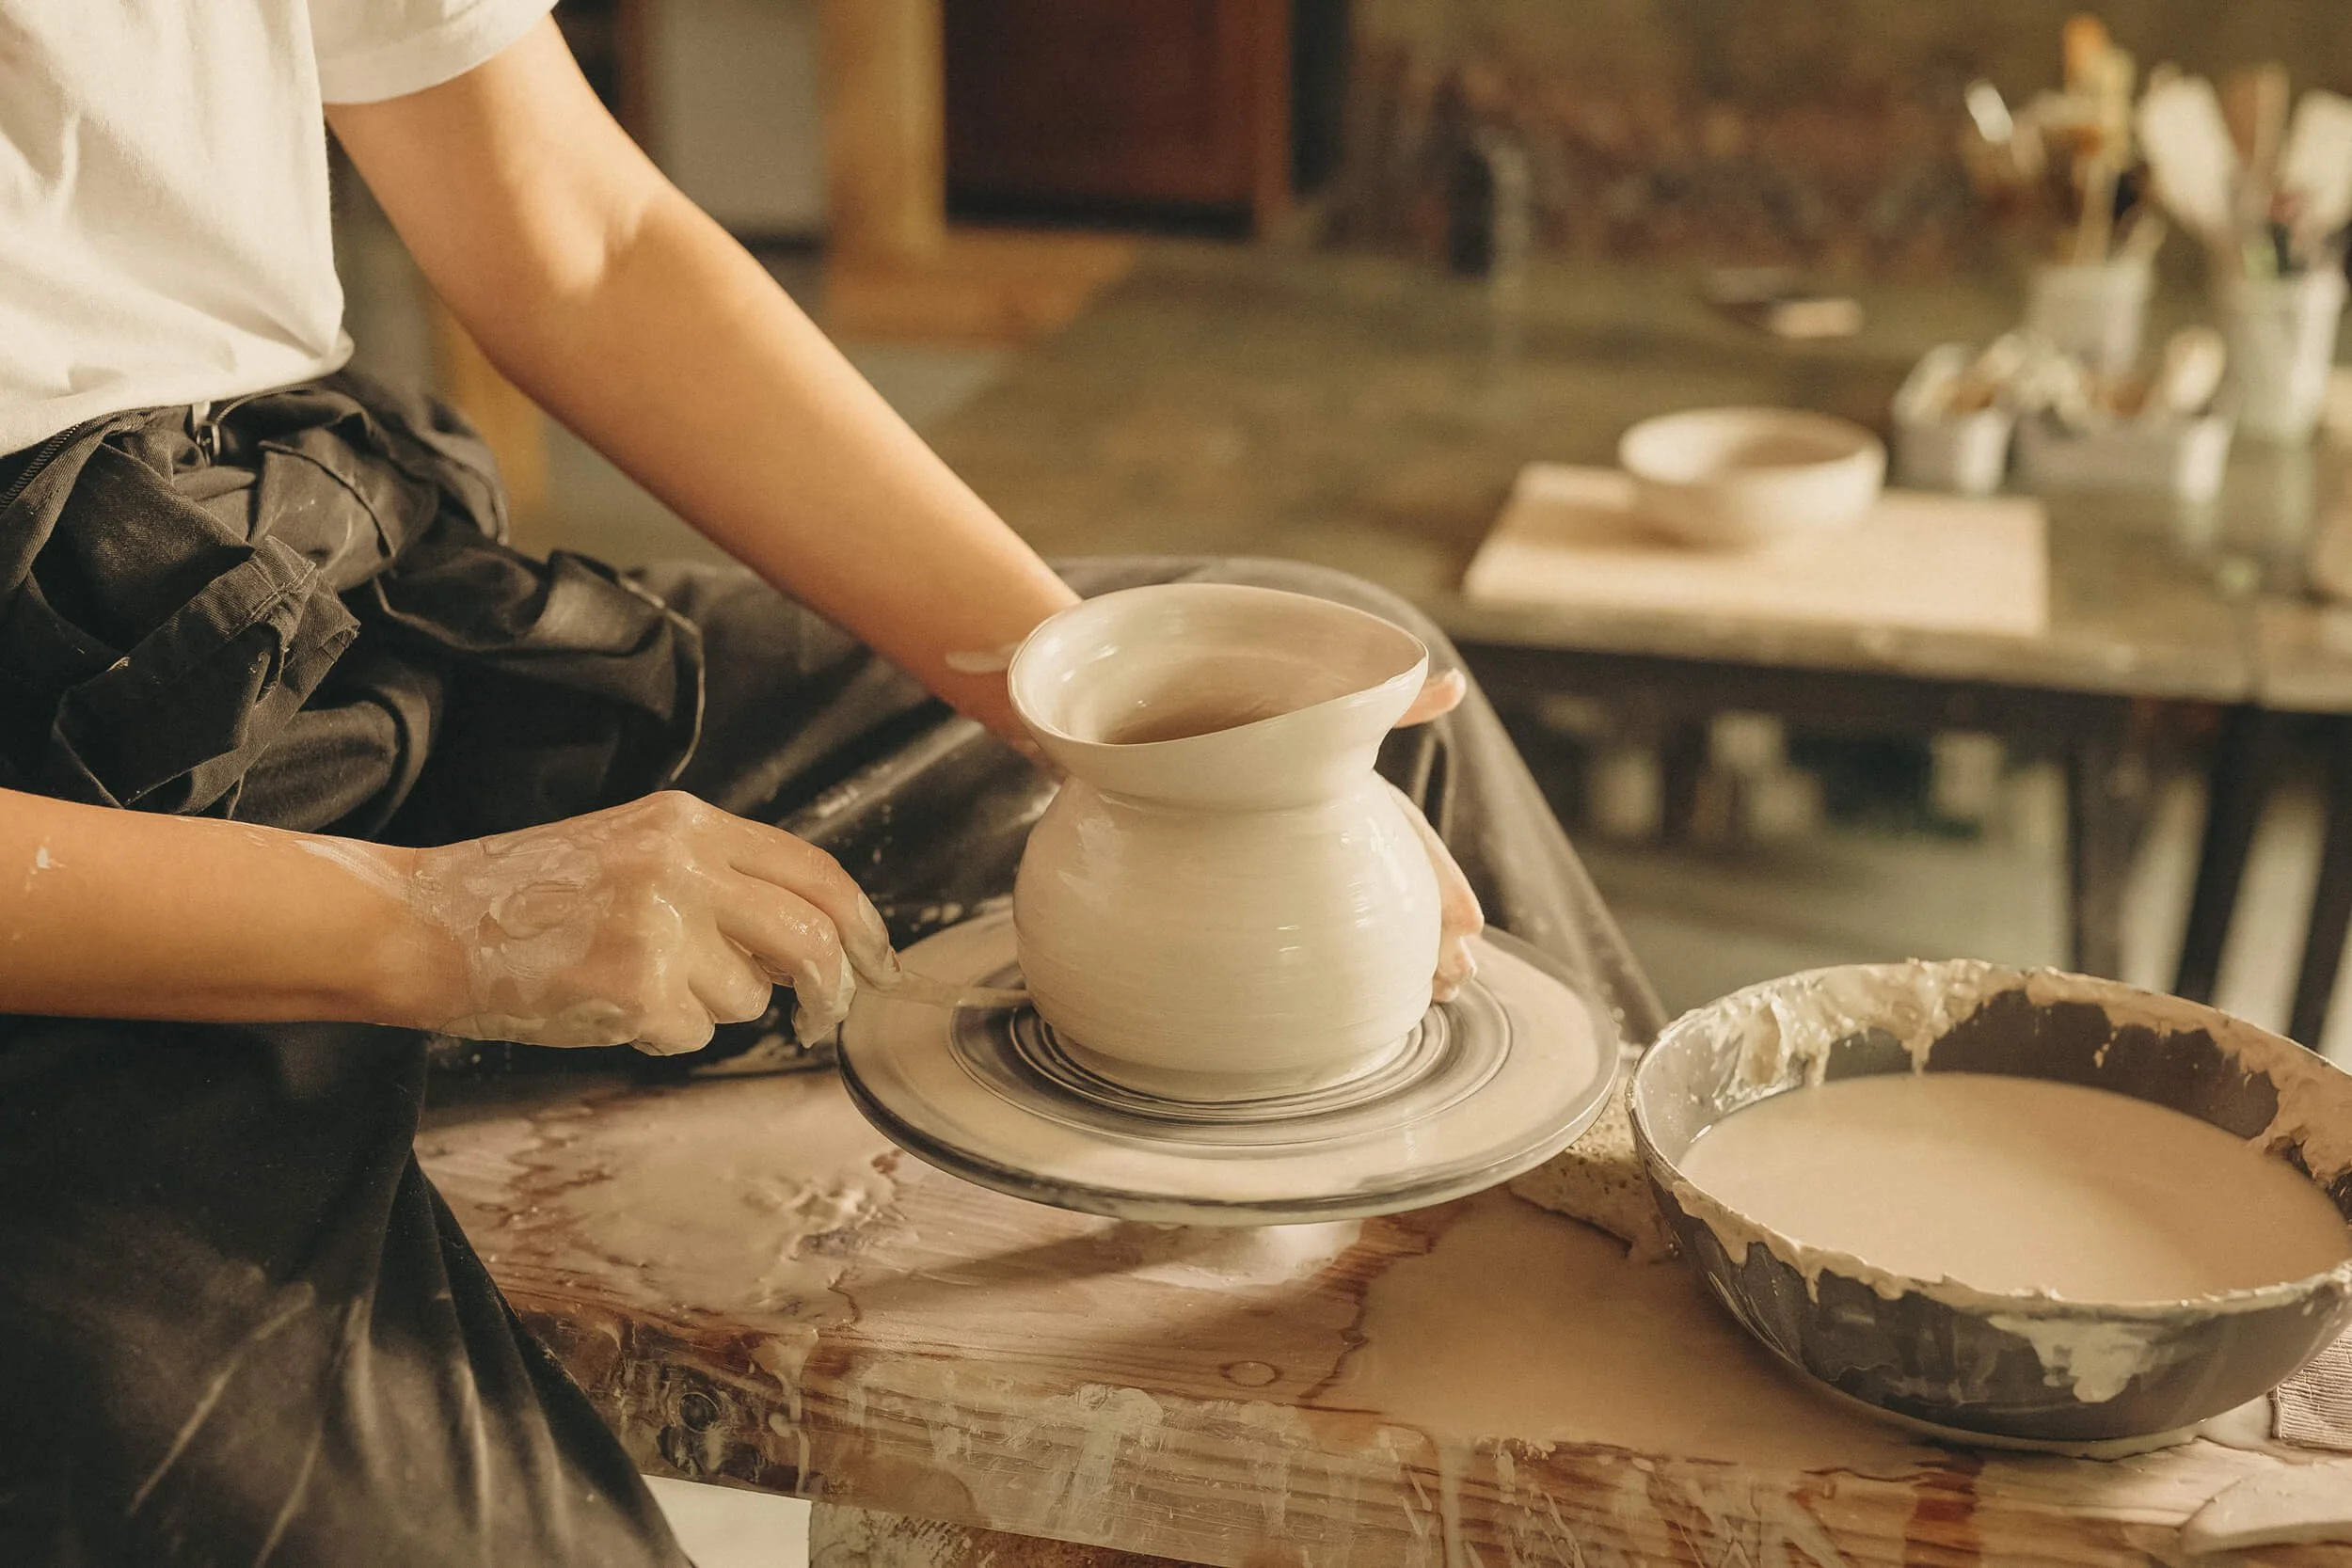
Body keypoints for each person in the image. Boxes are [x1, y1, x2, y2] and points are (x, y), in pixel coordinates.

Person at [0, 4, 1661, 1562]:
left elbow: (581, 238)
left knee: (1370, 715)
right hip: (50, 846)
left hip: (292, 562)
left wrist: (1099, 697)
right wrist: (429, 926)